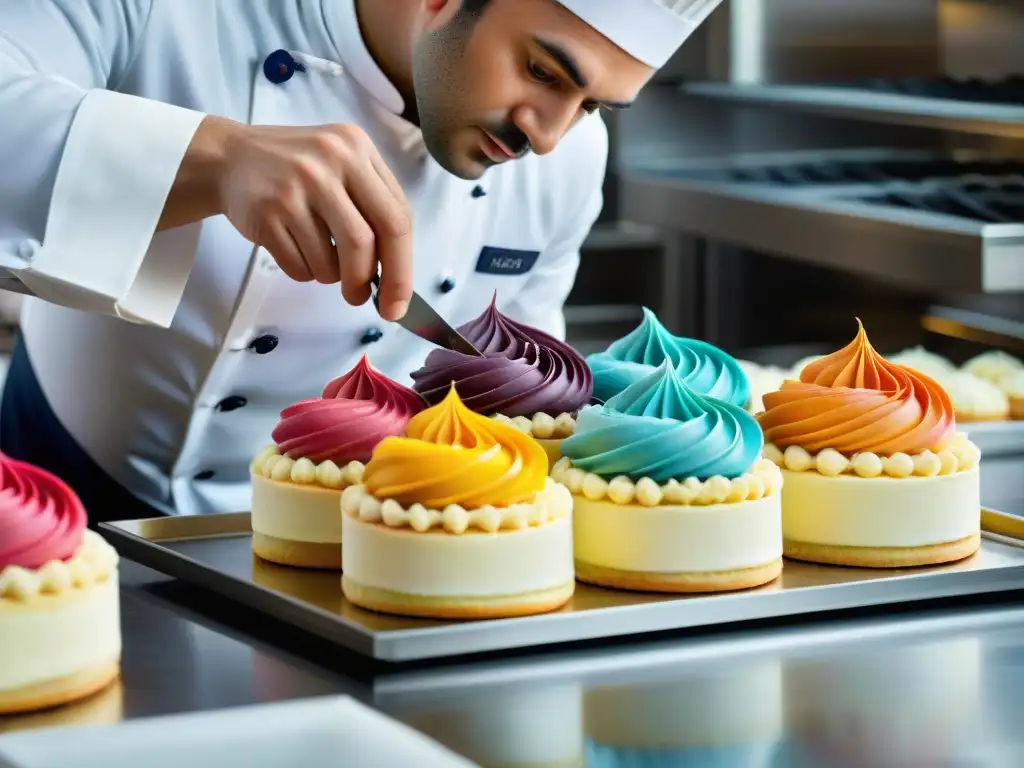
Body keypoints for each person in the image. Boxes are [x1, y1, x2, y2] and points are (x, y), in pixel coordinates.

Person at [0, 0, 722, 522]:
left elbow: (516, 405)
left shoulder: (567, 162)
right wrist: (213, 157)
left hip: (354, 527)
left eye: (593, 105)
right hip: (51, 481)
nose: (550, 135)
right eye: (542, 70)